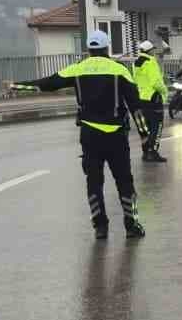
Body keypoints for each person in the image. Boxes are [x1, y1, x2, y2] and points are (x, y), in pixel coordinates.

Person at [9, 29, 148, 240]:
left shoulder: (77, 69)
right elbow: (135, 106)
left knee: (94, 181)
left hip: (90, 135)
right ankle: (132, 225)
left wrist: (17, 86)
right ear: (106, 47)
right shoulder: (120, 70)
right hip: (116, 136)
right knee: (124, 181)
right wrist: (144, 134)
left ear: (88, 49)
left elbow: (48, 84)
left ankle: (100, 227)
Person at [133, 40, 170, 163]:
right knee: (157, 126)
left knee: (144, 128)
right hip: (153, 98)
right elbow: (156, 82)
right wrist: (165, 91)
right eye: (153, 49)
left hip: (140, 98)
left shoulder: (136, 63)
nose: (154, 51)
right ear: (150, 50)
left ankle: (145, 152)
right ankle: (153, 153)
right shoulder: (150, 62)